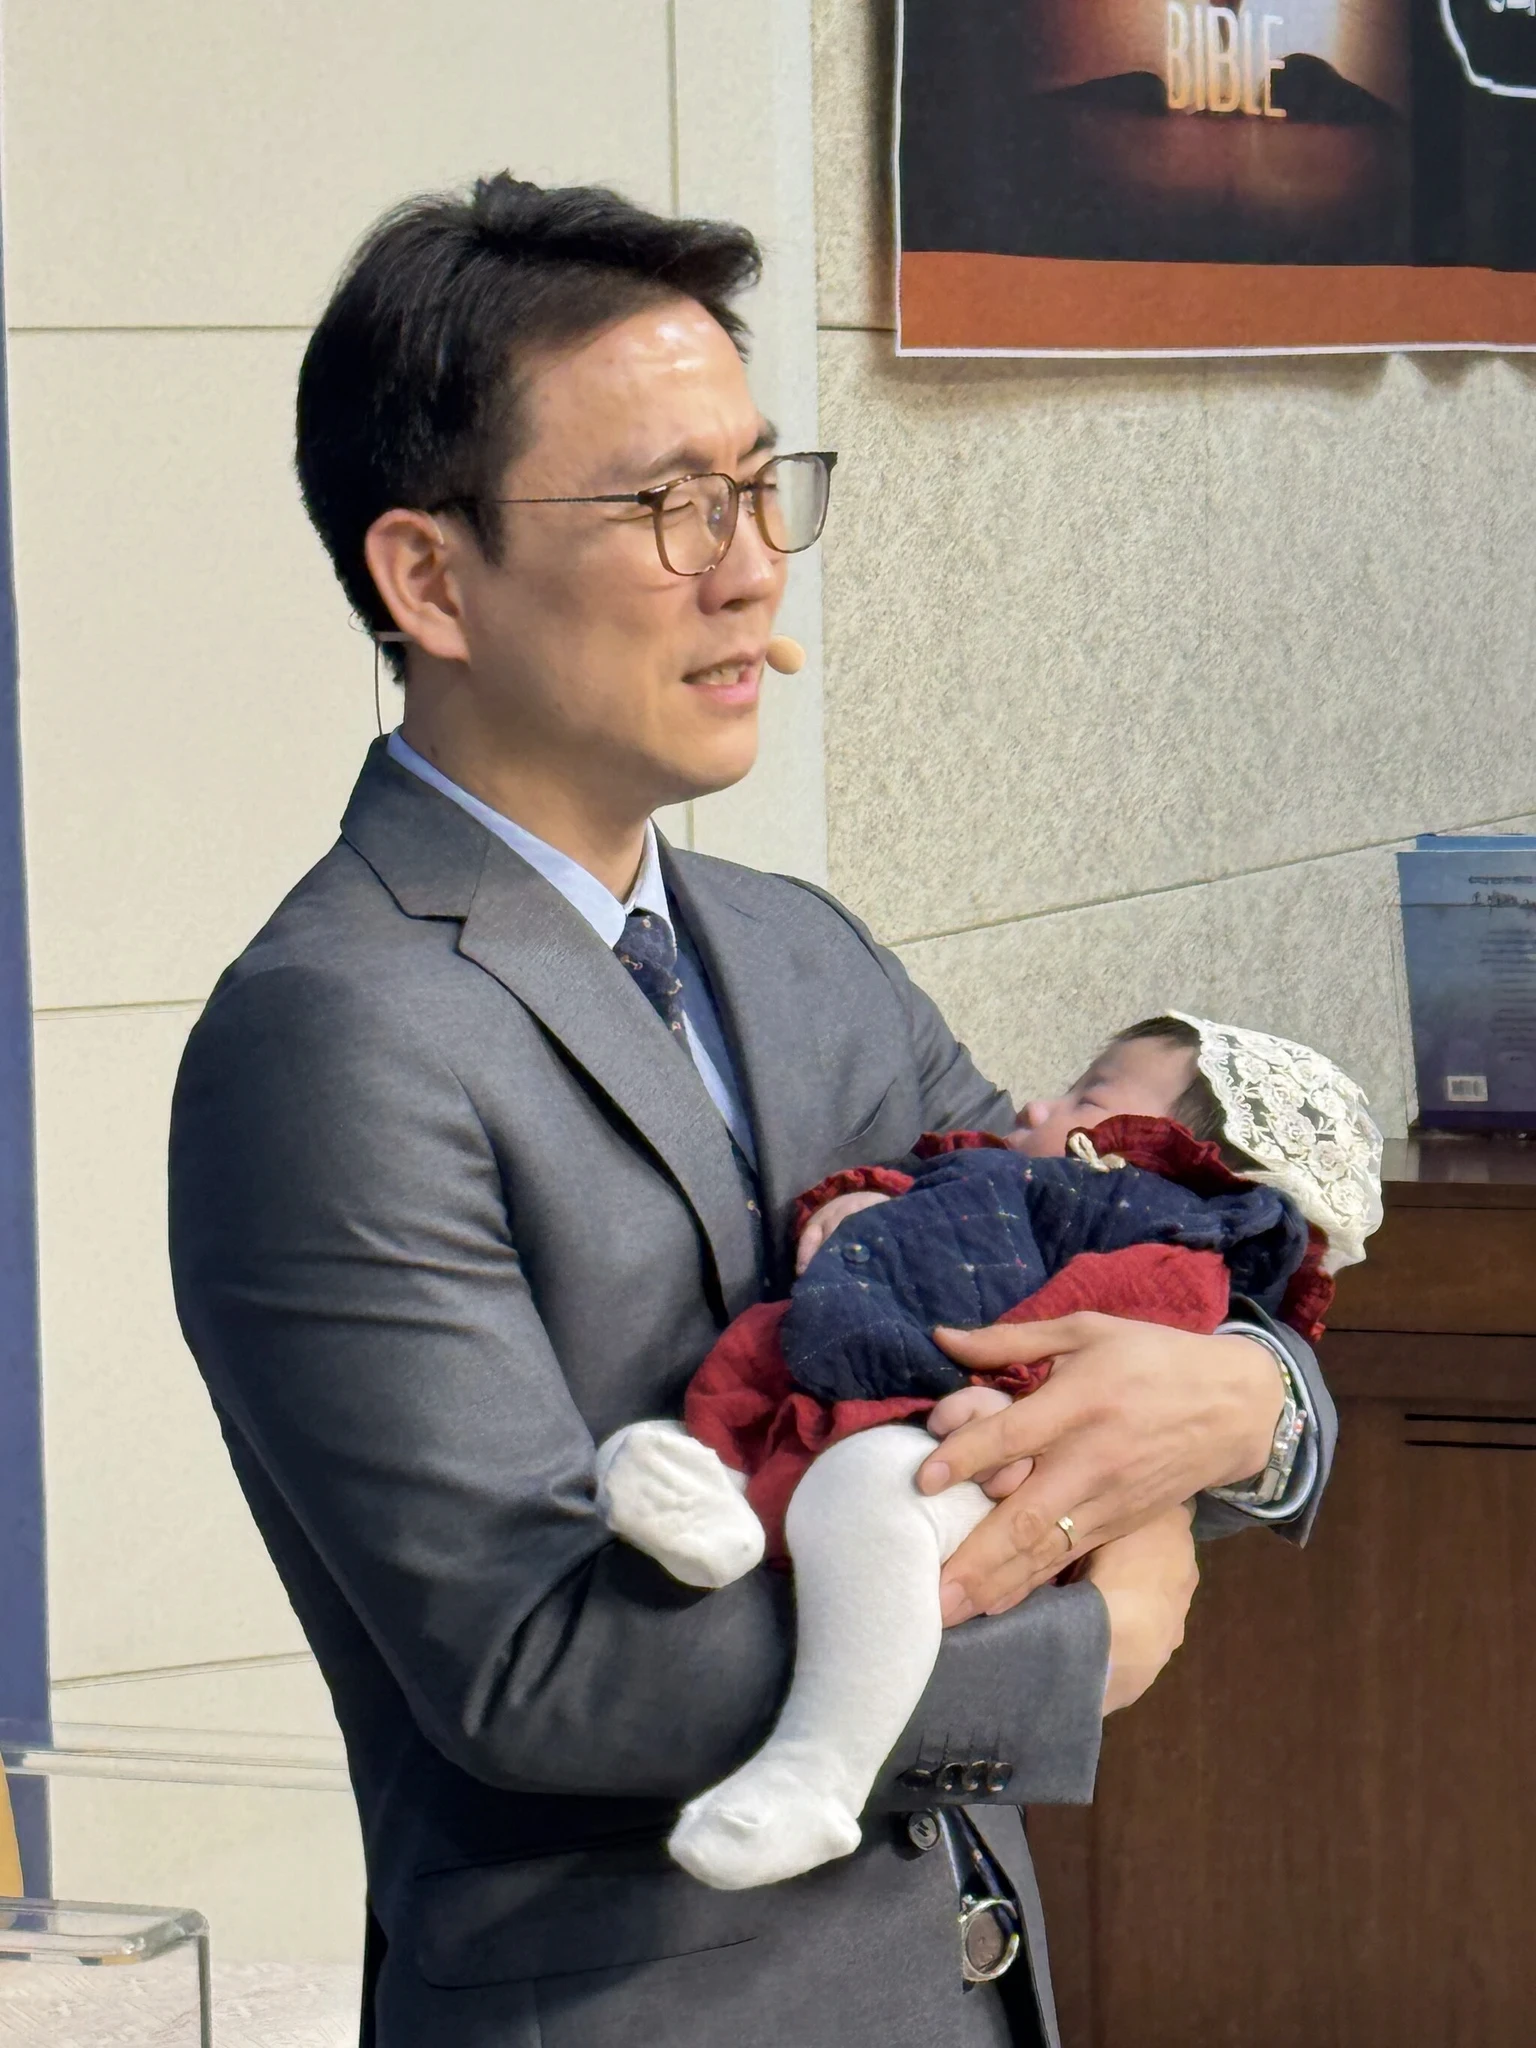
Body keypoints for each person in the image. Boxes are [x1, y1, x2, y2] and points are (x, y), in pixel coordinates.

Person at [167, 174, 1338, 2048]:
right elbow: (535, 1665)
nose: (750, 567)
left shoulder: (801, 950)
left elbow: (1081, 1274)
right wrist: (1093, 1636)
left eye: (757, 485)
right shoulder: (331, 1034)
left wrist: (1257, 1406)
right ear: (428, 578)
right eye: (666, 507)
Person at [594, 1013, 1381, 1890]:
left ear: (1167, 1156)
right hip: (839, 1368)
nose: (1035, 1104)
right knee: (682, 1430)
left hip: (967, 1438)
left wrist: (1023, 1393)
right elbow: (931, 1188)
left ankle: (819, 1770)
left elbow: (1121, 1346)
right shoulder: (1017, 1171)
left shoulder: (1161, 1242)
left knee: (869, 1496)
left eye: (1088, 1097)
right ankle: (714, 1514)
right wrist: (860, 1202)